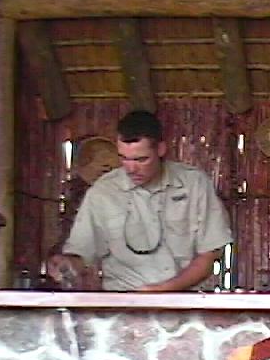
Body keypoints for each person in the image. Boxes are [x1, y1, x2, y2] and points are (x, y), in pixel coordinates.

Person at [47, 110, 233, 292]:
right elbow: (82, 254)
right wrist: (66, 264)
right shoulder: (103, 192)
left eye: (141, 159)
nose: (131, 169)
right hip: (123, 300)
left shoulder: (194, 184)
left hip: (185, 300)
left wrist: (161, 290)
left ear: (160, 149)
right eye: (124, 159)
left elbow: (208, 256)